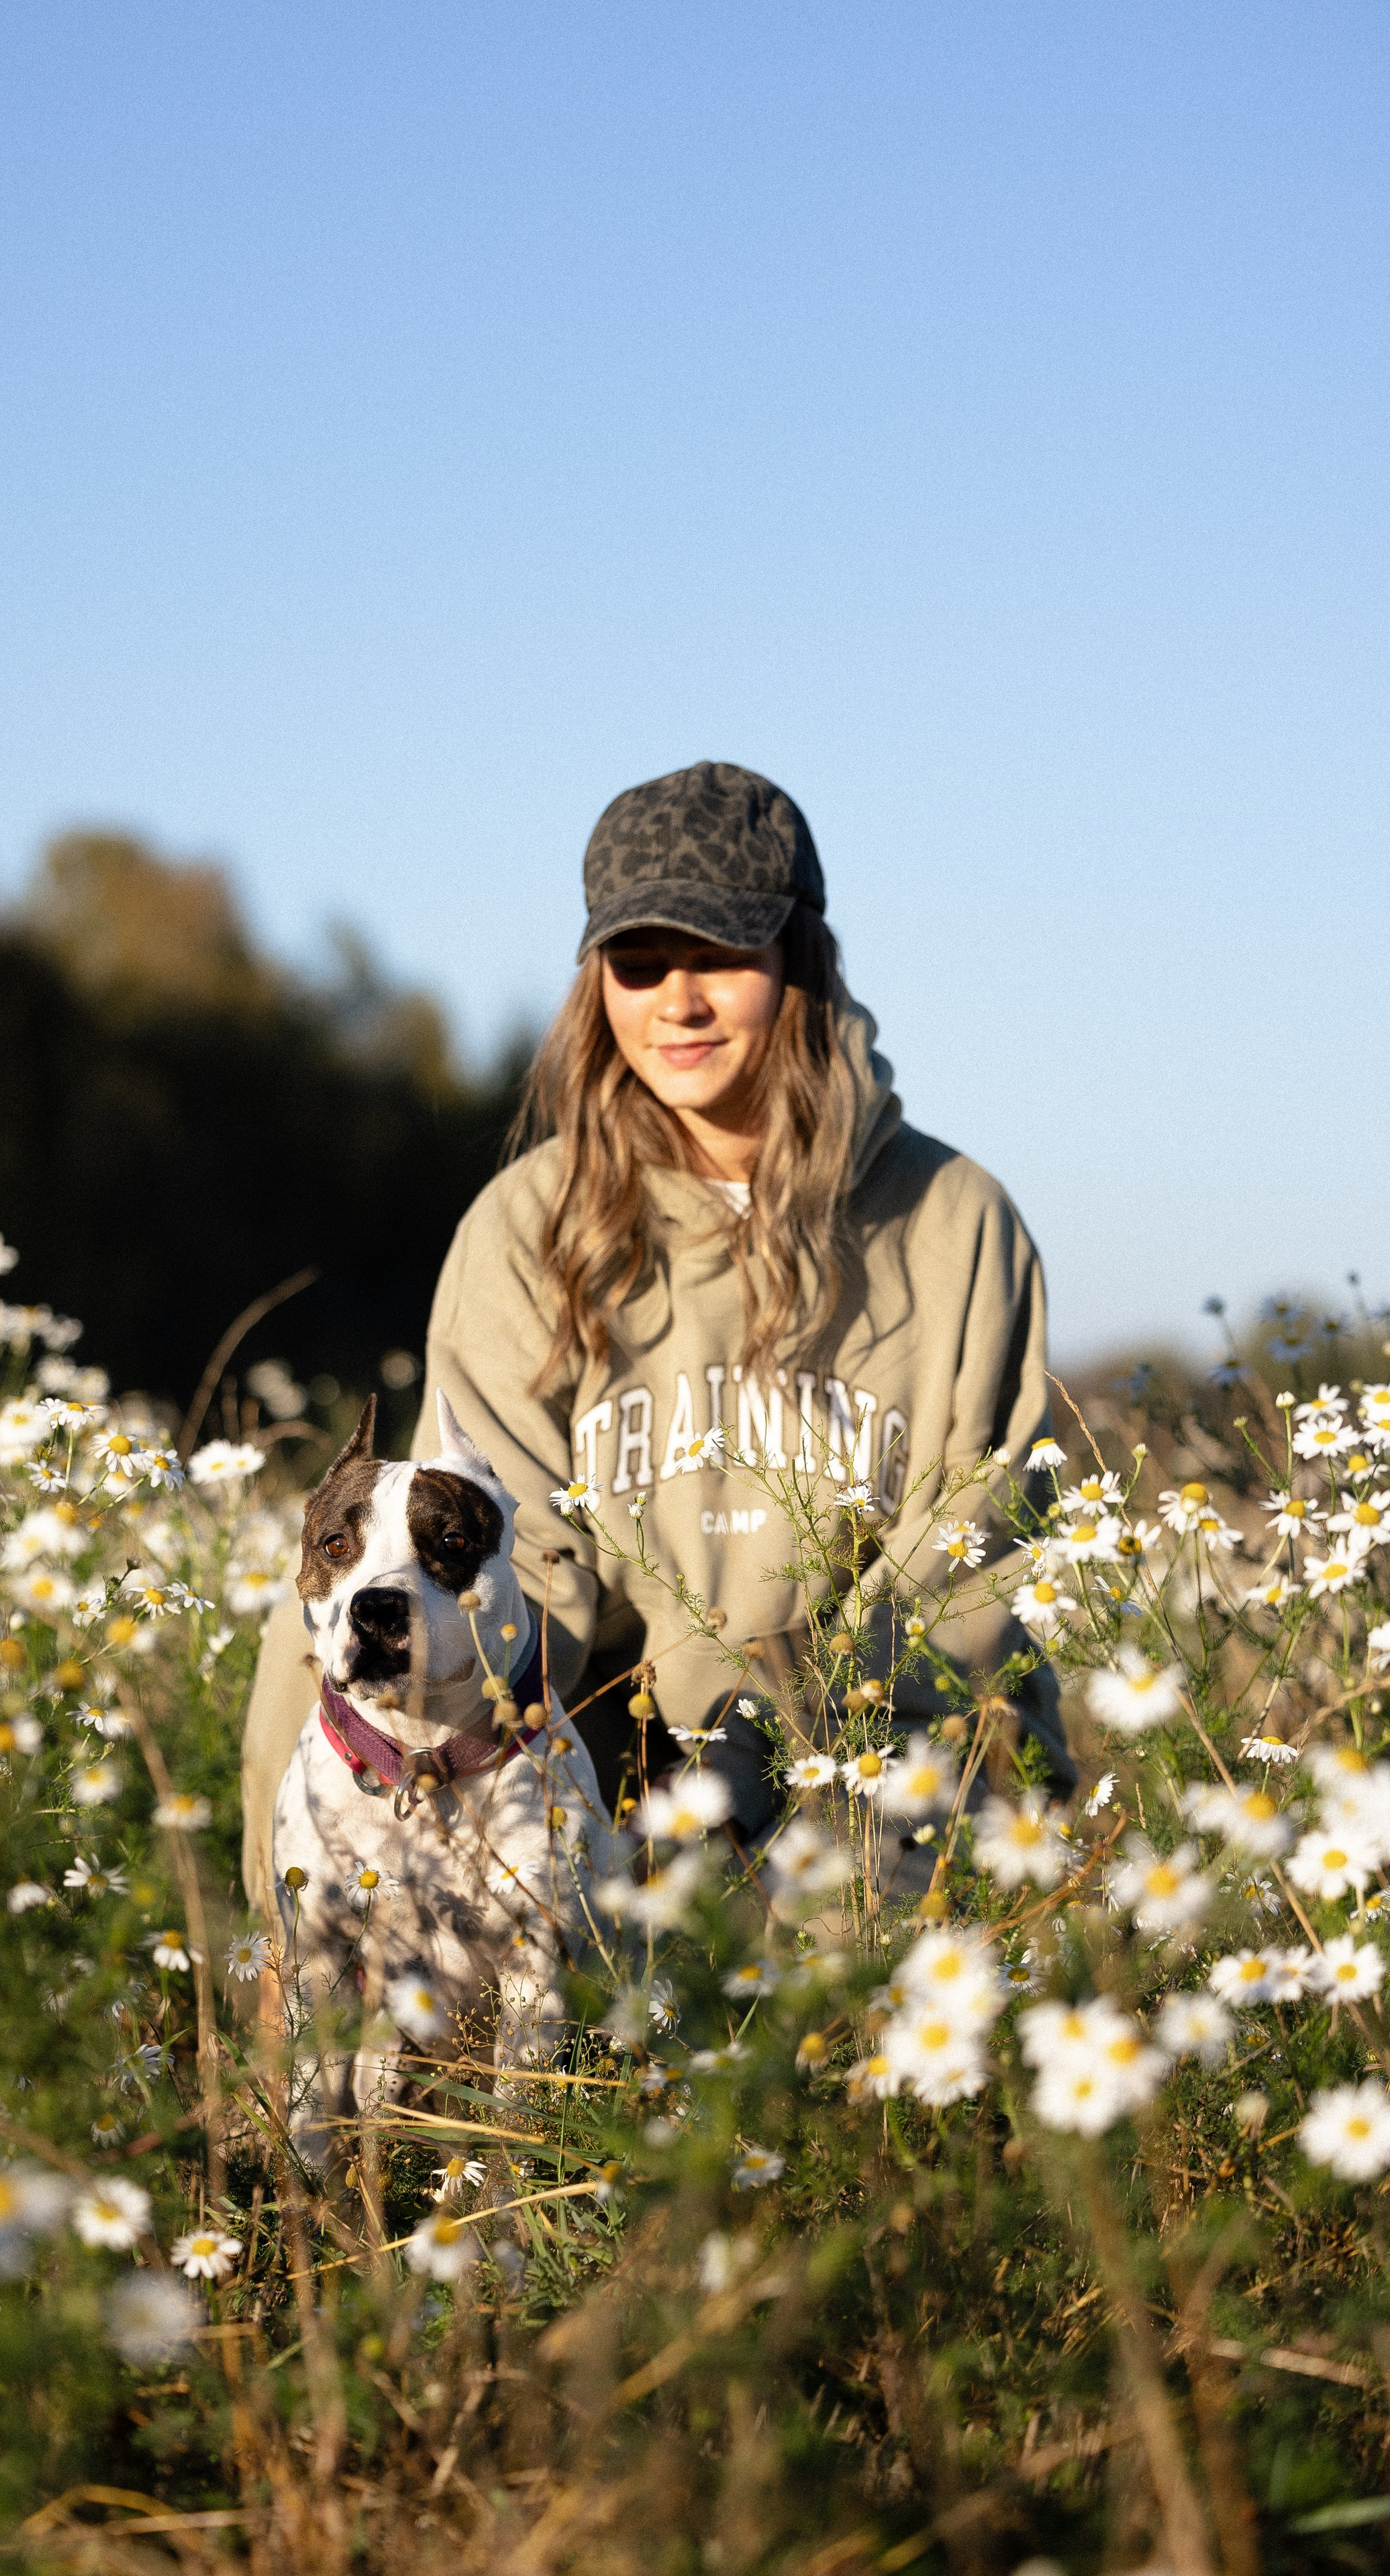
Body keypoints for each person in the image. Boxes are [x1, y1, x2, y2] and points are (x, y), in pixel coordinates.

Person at [241, 759, 1071, 1920]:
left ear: (801, 957)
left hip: (873, 1759)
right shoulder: (528, 1226)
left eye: (721, 955)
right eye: (638, 963)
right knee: (323, 1607)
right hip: (616, 1763)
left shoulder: (953, 1222)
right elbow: (498, 1564)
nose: (676, 1002)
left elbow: (975, 1554)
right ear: (597, 984)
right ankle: (303, 1962)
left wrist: (787, 1727)